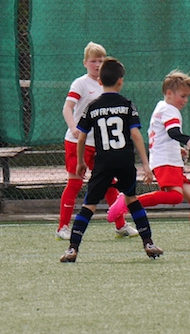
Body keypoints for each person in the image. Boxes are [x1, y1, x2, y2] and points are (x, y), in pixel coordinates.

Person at [107, 70, 190, 249]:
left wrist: (177, 149)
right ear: (169, 93)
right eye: (183, 96)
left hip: (166, 160)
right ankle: (128, 200)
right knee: (175, 197)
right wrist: (189, 142)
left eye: (187, 97)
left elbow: (161, 136)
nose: (185, 100)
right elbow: (172, 132)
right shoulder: (170, 110)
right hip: (166, 162)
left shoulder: (161, 107)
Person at [60, 57, 161, 262]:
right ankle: (148, 243)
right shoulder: (127, 105)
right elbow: (135, 134)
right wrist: (146, 164)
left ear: (100, 81)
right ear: (121, 81)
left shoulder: (92, 107)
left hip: (103, 162)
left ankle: (72, 248)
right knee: (132, 200)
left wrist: (80, 162)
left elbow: (81, 137)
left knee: (89, 205)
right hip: (124, 161)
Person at [56, 41, 137, 240]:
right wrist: (73, 127)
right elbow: (67, 108)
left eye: (101, 60)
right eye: (93, 61)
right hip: (78, 143)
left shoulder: (107, 85)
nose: (97, 65)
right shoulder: (80, 83)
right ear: (85, 63)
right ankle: (63, 227)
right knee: (75, 183)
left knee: (109, 183)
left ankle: (120, 225)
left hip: (101, 144)